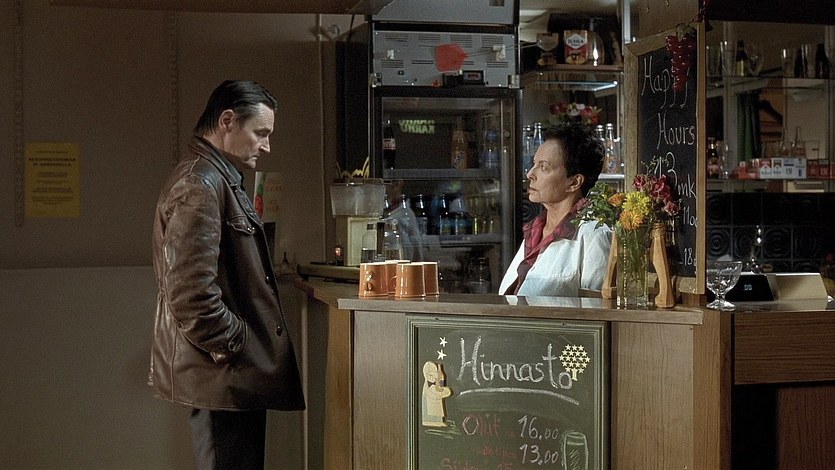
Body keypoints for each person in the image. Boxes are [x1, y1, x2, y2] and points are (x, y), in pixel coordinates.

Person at [149, 80, 305, 469]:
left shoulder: (215, 178)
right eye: (260, 133)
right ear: (227, 121)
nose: (266, 146)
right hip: (222, 376)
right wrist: (237, 343)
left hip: (228, 377)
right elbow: (189, 293)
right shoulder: (200, 183)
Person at [498, 122, 612, 296]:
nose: (530, 174)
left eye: (543, 167)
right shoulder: (535, 230)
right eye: (534, 164)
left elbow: (597, 309)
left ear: (574, 182)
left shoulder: (593, 234)